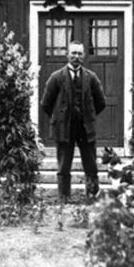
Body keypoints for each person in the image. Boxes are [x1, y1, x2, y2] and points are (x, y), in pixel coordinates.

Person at [40, 40, 106, 201]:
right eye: (73, 53)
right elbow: (46, 104)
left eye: (79, 53)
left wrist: (88, 116)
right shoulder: (56, 77)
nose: (76, 57)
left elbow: (101, 102)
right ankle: (64, 198)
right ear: (67, 55)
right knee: (64, 165)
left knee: (91, 165)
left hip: (85, 127)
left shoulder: (91, 78)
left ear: (84, 55)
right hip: (65, 128)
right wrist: (59, 118)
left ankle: (92, 196)